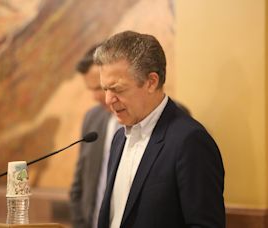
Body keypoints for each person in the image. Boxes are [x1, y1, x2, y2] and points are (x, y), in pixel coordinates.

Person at [94, 31, 225, 228]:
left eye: (118, 89)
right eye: (105, 89)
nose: (108, 100)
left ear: (151, 82)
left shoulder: (189, 141)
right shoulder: (119, 138)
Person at [70, 44, 120, 228]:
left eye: (99, 87)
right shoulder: (92, 118)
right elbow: (78, 186)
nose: (97, 97)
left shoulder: (168, 118)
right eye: (90, 89)